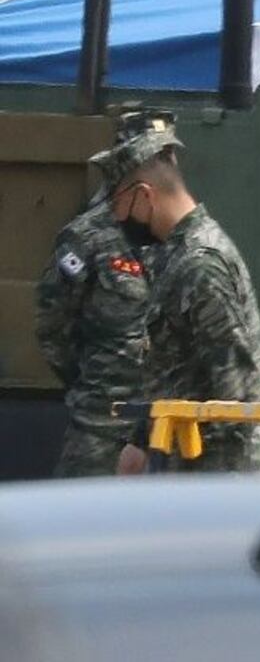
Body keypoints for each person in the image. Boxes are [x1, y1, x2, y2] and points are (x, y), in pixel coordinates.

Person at [92, 126, 260, 473]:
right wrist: (139, 440)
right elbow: (175, 367)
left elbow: (236, 395)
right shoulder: (174, 256)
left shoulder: (201, 264)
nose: (118, 221)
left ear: (145, 196)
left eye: (118, 206)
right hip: (190, 465)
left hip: (223, 472)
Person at [34, 110, 179, 477]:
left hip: (168, 423)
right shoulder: (87, 237)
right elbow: (54, 325)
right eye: (152, 157)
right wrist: (92, 385)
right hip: (102, 424)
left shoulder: (182, 235)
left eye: (167, 157)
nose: (162, 166)